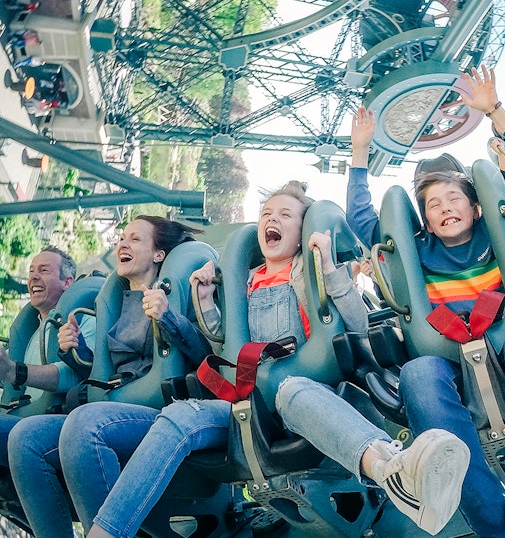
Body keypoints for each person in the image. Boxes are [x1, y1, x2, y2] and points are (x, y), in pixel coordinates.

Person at [79, 184, 468, 538]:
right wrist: (204, 301)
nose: (271, 220)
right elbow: (221, 344)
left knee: (292, 387)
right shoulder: (244, 281)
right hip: (245, 402)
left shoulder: (308, 272)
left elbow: (358, 322)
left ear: (300, 232)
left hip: (302, 398)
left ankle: (391, 469)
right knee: (178, 416)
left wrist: (331, 271)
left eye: (285, 215)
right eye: (266, 213)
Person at [347, 67, 505, 538]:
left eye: (453, 197)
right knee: (417, 374)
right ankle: (496, 528)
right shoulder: (417, 251)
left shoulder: (496, 229)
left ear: (475, 205)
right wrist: (361, 153)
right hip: (446, 358)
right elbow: (362, 219)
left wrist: (495, 112)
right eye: (433, 204)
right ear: (424, 220)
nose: (444, 208)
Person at [7, 217, 207, 538]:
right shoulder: (116, 300)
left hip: (160, 410)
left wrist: (169, 316)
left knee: (85, 424)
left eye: (136, 240)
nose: (123, 244)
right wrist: (75, 350)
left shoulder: (172, 292)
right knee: (25, 438)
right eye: (122, 238)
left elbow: (206, 355)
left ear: (158, 254)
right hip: (114, 407)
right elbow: (102, 374)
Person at [0, 248, 82, 463]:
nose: (33, 277)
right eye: (31, 271)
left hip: (49, 423)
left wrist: (12, 371)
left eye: (44, 271)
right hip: (18, 415)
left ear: (67, 282)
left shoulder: (82, 321)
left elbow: (73, 375)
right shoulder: (31, 331)